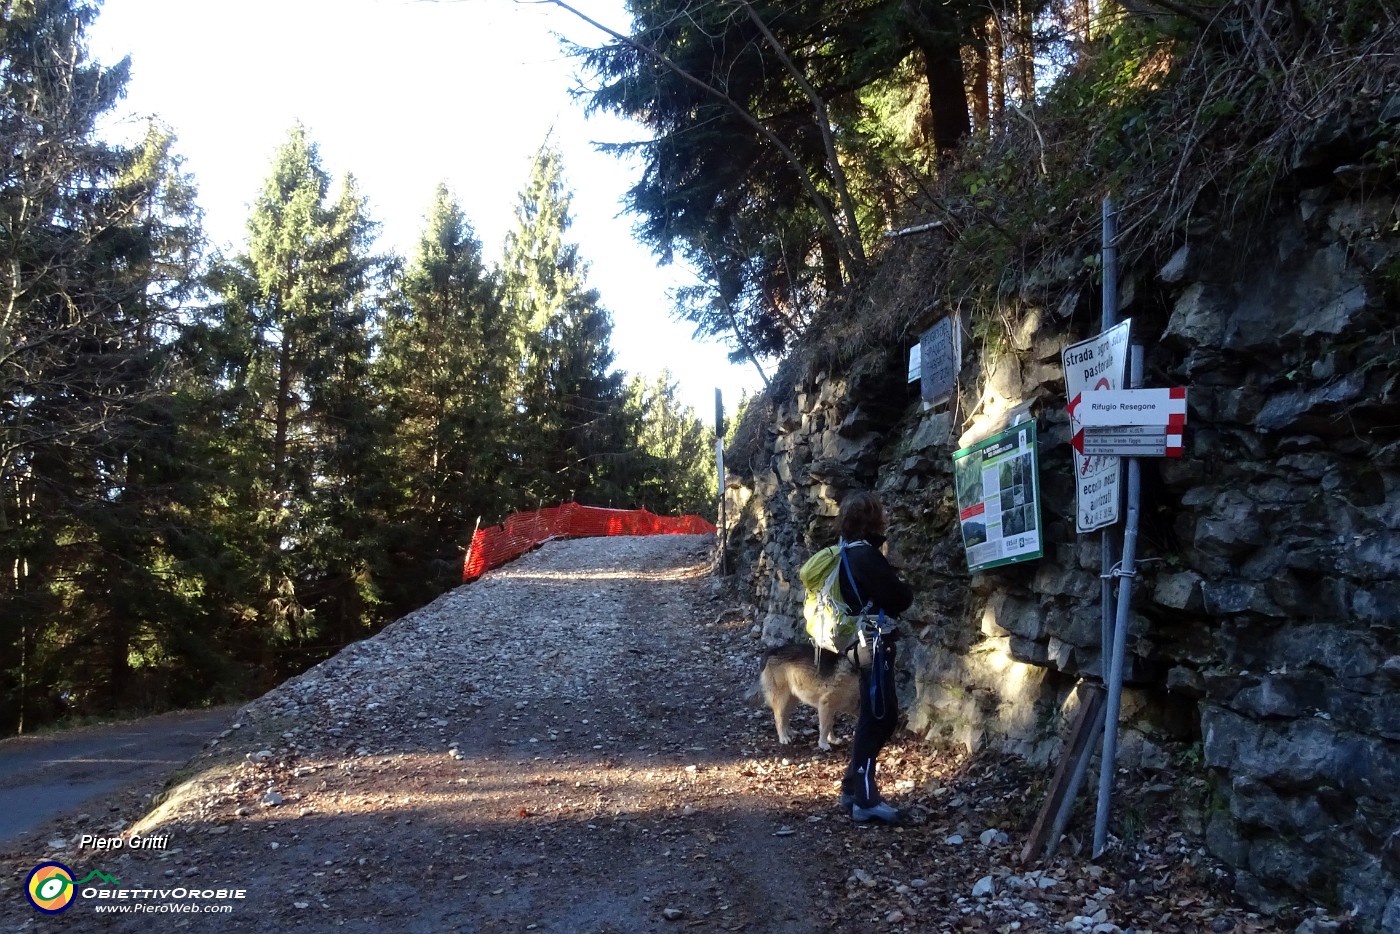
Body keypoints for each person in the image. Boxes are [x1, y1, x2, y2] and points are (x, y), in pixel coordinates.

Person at [833, 490, 914, 825]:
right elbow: (899, 597)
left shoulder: (847, 552)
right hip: (874, 645)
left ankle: (853, 788)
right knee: (880, 716)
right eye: (881, 513)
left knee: (872, 714)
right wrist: (904, 587)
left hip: (861, 643)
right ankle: (865, 799)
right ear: (870, 520)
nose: (886, 517)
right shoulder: (866, 556)